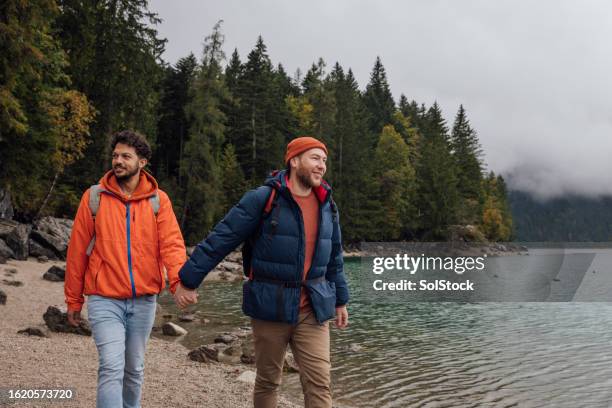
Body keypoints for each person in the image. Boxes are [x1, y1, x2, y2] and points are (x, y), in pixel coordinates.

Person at [175, 136, 350, 408]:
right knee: (269, 380)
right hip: (271, 306)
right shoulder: (263, 198)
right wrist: (188, 280)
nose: (321, 166)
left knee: (319, 382)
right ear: (294, 161)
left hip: (313, 307)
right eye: (315, 158)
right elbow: (222, 237)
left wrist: (340, 300)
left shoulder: (327, 204)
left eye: (324, 160)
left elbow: (334, 257)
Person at [64, 130, 189, 408]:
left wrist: (178, 282)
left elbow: (172, 246)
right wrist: (74, 299)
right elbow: (77, 253)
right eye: (115, 155)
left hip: (144, 301)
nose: (118, 161)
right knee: (111, 366)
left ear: (142, 162)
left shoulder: (158, 201)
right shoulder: (94, 198)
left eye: (125, 156)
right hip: (103, 298)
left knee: (133, 370)